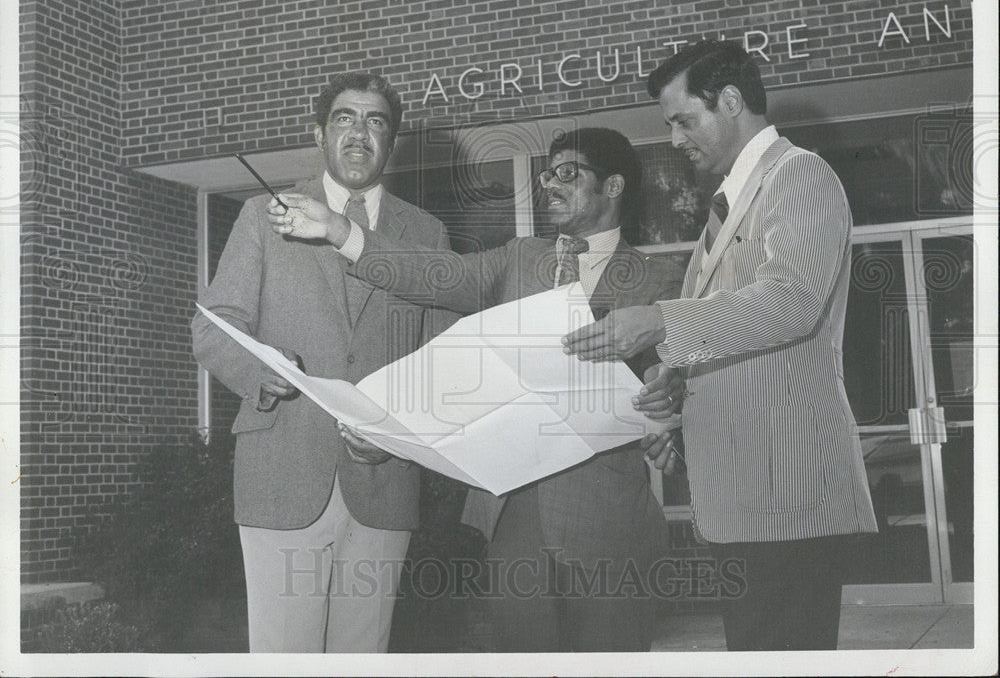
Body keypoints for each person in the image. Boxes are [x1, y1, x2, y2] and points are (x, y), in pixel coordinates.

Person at [266, 127, 686, 652]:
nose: (548, 184)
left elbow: (675, 380)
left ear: (614, 186)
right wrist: (339, 231)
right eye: (545, 173)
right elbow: (435, 274)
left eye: (566, 173)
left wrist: (669, 404)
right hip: (512, 516)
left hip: (608, 521)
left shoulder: (657, 281)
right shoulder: (518, 257)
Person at [561, 41, 879, 651]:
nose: (676, 138)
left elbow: (790, 304)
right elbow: (743, 335)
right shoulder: (733, 202)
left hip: (786, 494)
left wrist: (660, 321)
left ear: (731, 101)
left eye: (684, 119)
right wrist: (677, 397)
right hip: (747, 498)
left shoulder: (798, 175)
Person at [191, 72, 454, 653]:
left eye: (376, 121)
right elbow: (211, 331)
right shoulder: (266, 215)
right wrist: (268, 370)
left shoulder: (427, 233)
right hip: (281, 474)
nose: (360, 133)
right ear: (318, 134)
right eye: (344, 118)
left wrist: (399, 433)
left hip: (385, 479)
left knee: (364, 659)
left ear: (392, 142)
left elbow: (444, 359)